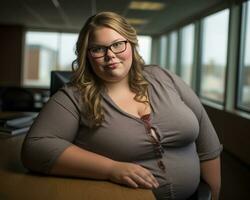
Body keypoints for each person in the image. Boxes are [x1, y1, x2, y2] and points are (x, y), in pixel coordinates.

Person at [21, 11, 222, 200]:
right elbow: (35, 148)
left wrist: (213, 195)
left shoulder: (164, 77)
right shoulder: (74, 96)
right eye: (98, 49)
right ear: (87, 55)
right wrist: (111, 169)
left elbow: (207, 143)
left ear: (131, 45)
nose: (110, 55)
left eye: (118, 44)